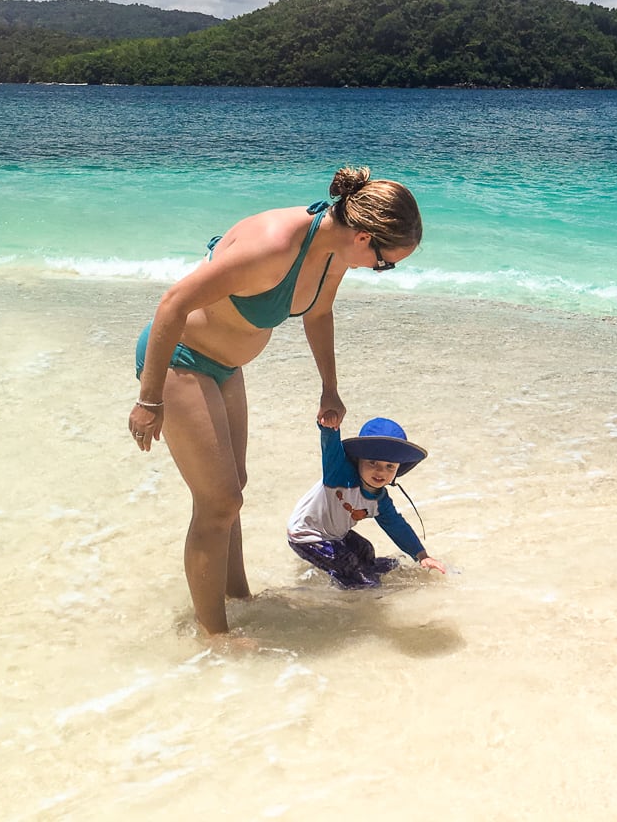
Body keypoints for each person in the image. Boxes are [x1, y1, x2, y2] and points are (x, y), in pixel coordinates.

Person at [129, 166, 422, 636]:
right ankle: (215, 636)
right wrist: (149, 400)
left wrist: (329, 386)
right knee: (218, 500)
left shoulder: (334, 253)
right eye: (386, 262)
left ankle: (237, 596)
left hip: (225, 367)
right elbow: (173, 304)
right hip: (181, 361)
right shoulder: (274, 246)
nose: (382, 271)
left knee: (232, 491)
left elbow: (320, 310)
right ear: (365, 237)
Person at [288, 416, 446, 588]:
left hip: (334, 534)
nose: (380, 471)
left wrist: (422, 556)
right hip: (306, 535)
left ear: (397, 469)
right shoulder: (338, 473)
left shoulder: (380, 500)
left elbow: (397, 526)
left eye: (389, 466)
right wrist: (329, 426)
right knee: (363, 579)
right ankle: (344, 585)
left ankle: (356, 571)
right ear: (358, 460)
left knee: (365, 549)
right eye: (372, 462)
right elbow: (330, 446)